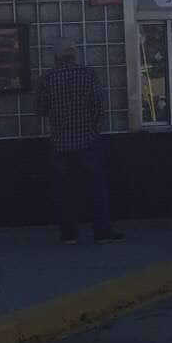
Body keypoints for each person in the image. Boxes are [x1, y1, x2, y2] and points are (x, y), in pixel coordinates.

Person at [35, 41, 124, 244]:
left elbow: (40, 110)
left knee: (64, 190)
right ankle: (101, 231)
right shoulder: (88, 74)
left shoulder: (47, 78)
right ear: (74, 56)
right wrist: (94, 126)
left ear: (56, 58)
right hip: (88, 139)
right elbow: (99, 104)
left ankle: (68, 234)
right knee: (96, 187)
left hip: (60, 141)